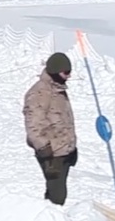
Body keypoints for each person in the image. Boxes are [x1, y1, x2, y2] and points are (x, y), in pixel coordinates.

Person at [22, 52, 77, 206]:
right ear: (55, 71)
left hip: (63, 149)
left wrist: (71, 145)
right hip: (51, 153)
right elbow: (33, 123)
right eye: (66, 72)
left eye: (70, 72)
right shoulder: (40, 92)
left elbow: (64, 120)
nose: (69, 76)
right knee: (57, 196)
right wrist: (43, 146)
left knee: (56, 192)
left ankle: (48, 220)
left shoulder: (58, 89)